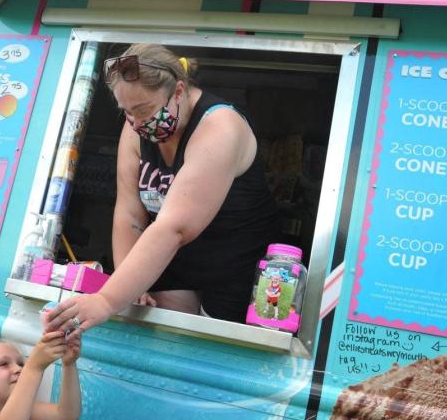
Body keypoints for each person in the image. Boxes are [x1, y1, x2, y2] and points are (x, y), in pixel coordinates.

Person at [46, 43, 277, 335]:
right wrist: (129, 281)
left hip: (233, 267)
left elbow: (174, 228)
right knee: (158, 331)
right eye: (127, 111)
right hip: (175, 259)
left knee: (204, 350)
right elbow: (129, 210)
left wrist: (107, 299)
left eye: (144, 110)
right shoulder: (137, 125)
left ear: (178, 91)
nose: (137, 123)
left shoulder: (220, 127)